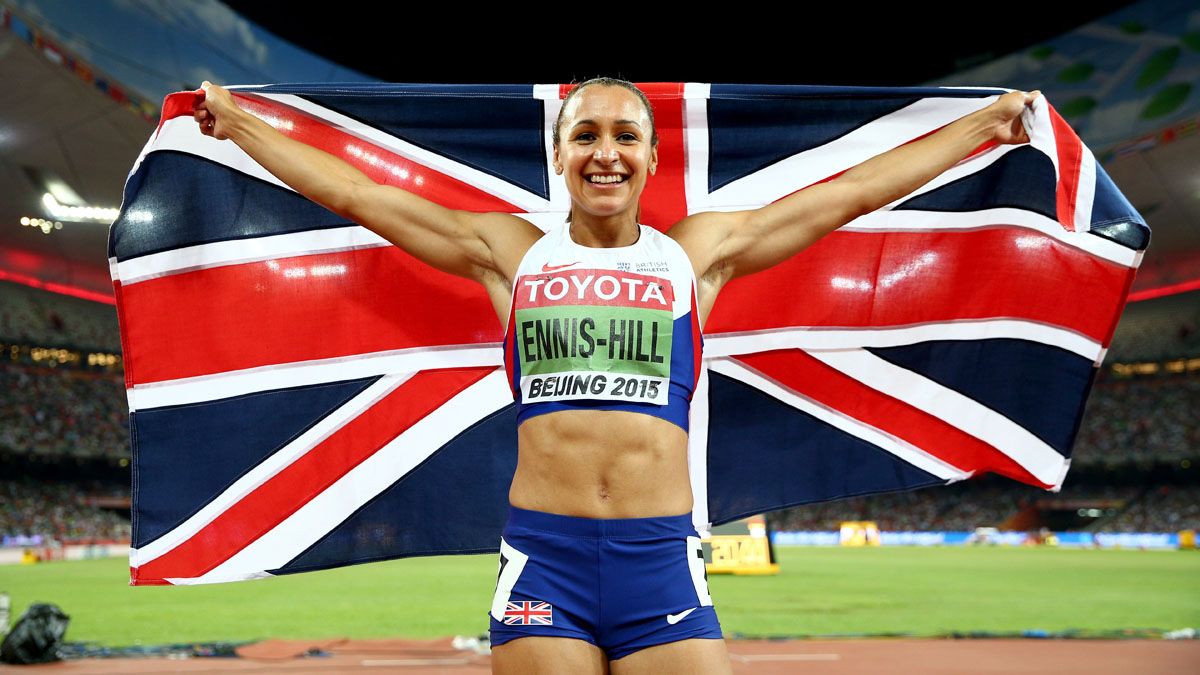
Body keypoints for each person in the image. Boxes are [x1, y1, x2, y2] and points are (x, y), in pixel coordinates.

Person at [193, 77, 1038, 674]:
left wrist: (982, 128)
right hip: (544, 559)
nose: (606, 153)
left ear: (651, 156)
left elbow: (846, 194)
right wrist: (239, 126)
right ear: (559, 156)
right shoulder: (509, 254)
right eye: (586, 135)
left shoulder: (695, 255)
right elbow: (355, 192)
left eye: (624, 135)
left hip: (659, 558)